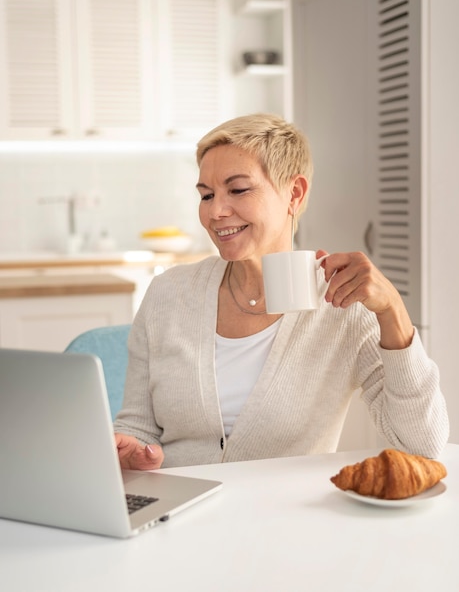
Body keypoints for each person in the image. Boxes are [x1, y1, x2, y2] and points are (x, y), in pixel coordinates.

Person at [114, 113, 449, 470]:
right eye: (206, 195)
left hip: (287, 518)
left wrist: (392, 312)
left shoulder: (344, 304)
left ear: (294, 192)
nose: (216, 211)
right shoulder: (168, 293)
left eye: (238, 190)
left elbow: (422, 445)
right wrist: (130, 451)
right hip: (177, 511)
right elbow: (137, 426)